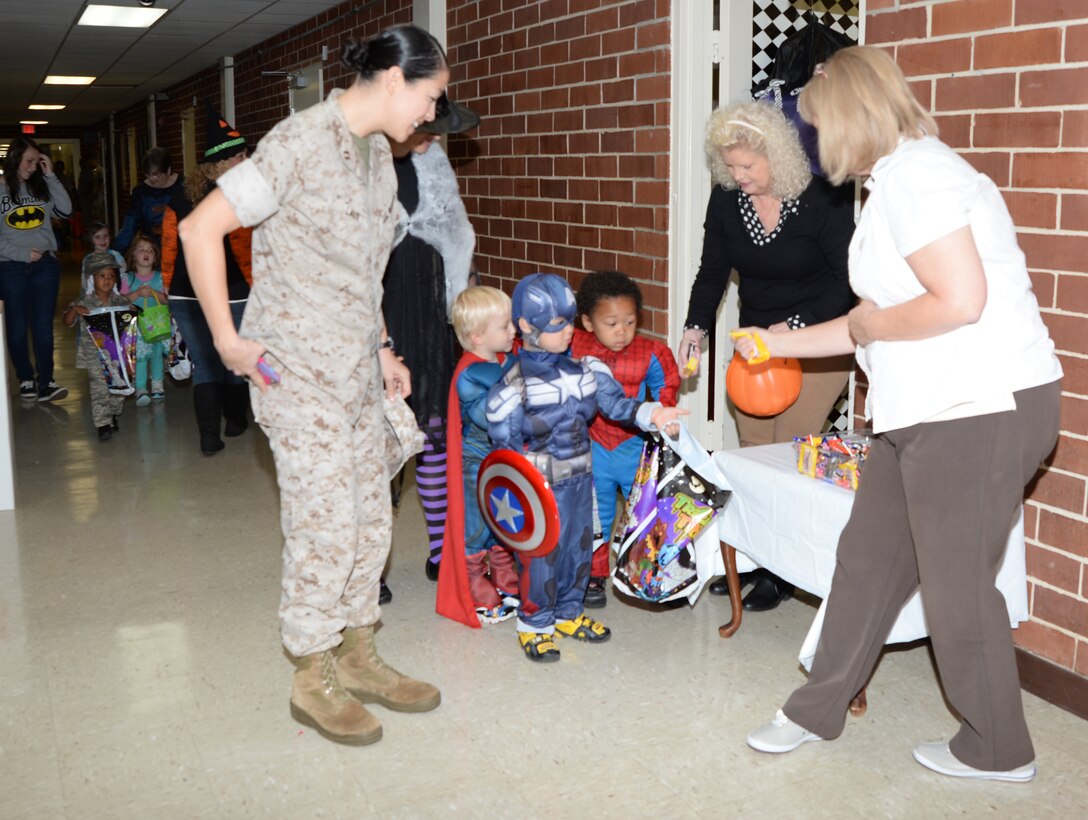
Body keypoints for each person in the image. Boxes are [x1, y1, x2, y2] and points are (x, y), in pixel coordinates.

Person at [742, 46, 1062, 784]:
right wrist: (774, 343)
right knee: (866, 563)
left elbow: (959, 302)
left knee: (955, 588)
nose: (813, 142)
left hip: (978, 409)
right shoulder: (892, 182)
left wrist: (876, 328)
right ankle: (813, 711)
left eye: (816, 125)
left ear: (850, 116)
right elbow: (867, 320)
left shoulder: (920, 177)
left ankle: (997, 750)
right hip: (923, 411)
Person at [179, 25, 450, 747]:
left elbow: (366, 272)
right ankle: (312, 675)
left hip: (358, 370)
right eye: (429, 96)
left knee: (368, 516)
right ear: (395, 78)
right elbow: (200, 231)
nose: (431, 113)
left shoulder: (380, 162)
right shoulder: (301, 141)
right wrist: (228, 342)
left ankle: (358, 656)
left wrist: (386, 345)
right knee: (324, 524)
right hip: (297, 373)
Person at [677, 101, 855, 612]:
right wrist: (695, 326)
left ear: (777, 156)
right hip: (756, 347)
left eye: (747, 167)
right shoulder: (727, 200)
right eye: (729, 166)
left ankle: (783, 572)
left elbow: (850, 280)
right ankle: (753, 557)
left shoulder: (823, 198)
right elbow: (712, 273)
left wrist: (795, 328)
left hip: (817, 343)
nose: (737, 176)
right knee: (753, 457)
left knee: (790, 455)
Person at [486, 274, 688, 662]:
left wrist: (654, 413)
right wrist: (518, 497)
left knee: (580, 551)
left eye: (568, 321)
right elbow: (505, 453)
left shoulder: (586, 370)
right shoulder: (513, 385)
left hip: (581, 477)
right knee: (540, 557)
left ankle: (568, 613)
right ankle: (535, 623)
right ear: (527, 327)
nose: (567, 332)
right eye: (556, 325)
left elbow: (618, 407)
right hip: (540, 486)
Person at [382, 91, 480, 584]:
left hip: (434, 321)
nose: (434, 137)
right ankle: (369, 569)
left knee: (435, 438)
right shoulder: (372, 166)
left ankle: (442, 551)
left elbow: (455, 235)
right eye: (426, 127)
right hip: (383, 315)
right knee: (382, 447)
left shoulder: (435, 162)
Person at [570, 270, 681, 608]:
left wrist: (667, 417)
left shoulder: (652, 353)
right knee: (596, 514)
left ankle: (650, 574)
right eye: (612, 323)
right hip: (593, 446)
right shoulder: (573, 345)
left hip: (635, 447)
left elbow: (665, 392)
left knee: (646, 513)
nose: (622, 332)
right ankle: (594, 576)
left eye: (630, 322)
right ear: (588, 322)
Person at [162, 106, 253, 455]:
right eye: (242, 155)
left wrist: (170, 286)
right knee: (233, 355)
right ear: (228, 161)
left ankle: (208, 435)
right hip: (231, 291)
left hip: (187, 293)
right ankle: (235, 420)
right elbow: (246, 250)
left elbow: (169, 248)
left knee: (204, 361)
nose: (246, 161)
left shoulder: (181, 195)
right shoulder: (240, 195)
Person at [435, 286, 519, 627]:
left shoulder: (503, 359)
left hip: (503, 458)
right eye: (505, 326)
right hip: (477, 461)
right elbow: (491, 416)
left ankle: (502, 573)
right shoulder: (470, 373)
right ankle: (473, 581)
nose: (514, 331)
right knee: (476, 524)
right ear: (477, 336)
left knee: (505, 519)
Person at [0, 135, 72, 403]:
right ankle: (26, 379)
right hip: (10, 267)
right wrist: (19, 253)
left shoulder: (41, 188)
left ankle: (47, 382)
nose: (33, 166)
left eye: (37, 161)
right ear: (14, 159)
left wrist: (51, 176)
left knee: (43, 326)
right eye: (29, 161)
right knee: (17, 328)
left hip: (45, 265)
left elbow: (66, 210)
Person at [62, 252, 130, 441]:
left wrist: (132, 312)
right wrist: (75, 310)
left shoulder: (121, 301)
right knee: (99, 388)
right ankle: (102, 423)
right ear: (91, 279)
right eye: (101, 275)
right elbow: (67, 322)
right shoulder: (84, 302)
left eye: (111, 275)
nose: (107, 280)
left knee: (119, 385)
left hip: (117, 355)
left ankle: (114, 413)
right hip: (94, 355)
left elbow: (130, 324)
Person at [113, 147, 185, 253]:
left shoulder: (184, 186)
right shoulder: (141, 192)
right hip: (152, 249)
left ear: (168, 170)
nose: (152, 179)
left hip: (181, 247)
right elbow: (130, 224)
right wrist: (115, 251)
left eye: (157, 175)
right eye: (148, 175)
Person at [124, 233, 167, 406]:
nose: (146, 253)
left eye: (150, 250)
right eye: (141, 249)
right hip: (137, 327)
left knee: (157, 355)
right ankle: (140, 387)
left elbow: (166, 299)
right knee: (140, 357)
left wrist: (155, 293)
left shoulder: (160, 277)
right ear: (133, 255)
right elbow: (122, 300)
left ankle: (157, 383)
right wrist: (137, 294)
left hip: (157, 325)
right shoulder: (128, 278)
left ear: (155, 256)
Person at [82, 221, 127, 295]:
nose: (102, 240)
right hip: (95, 294)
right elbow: (85, 280)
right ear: (90, 239)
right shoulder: (88, 259)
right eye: (97, 237)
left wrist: (123, 292)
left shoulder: (116, 256)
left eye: (106, 236)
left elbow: (124, 275)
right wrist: (90, 294)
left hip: (115, 293)